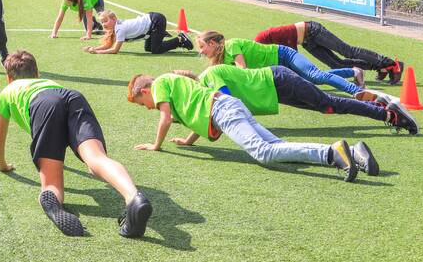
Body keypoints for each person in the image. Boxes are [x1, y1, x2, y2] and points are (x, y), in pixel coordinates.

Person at [0, 50, 151, 238]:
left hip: (44, 105)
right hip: (73, 97)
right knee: (96, 159)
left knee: (52, 185)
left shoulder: (8, 91)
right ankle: (133, 197)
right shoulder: (47, 83)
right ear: (37, 74)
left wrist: (2, 165)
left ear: (9, 79)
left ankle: (53, 206)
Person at [127, 72, 374, 182]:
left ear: (145, 91)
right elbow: (199, 113)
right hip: (227, 106)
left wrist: (155, 145)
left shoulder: (159, 84)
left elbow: (166, 118)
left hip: (223, 111)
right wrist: (187, 141)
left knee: (263, 153)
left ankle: (332, 153)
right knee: (279, 148)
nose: (148, 107)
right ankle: (353, 152)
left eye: (142, 103)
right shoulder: (174, 85)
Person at [178, 65, 418, 137]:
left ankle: (390, 115)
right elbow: (212, 113)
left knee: (331, 104)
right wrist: (190, 140)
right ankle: (380, 109)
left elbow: (228, 105)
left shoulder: (210, 77)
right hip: (279, 88)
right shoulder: (205, 88)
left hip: (278, 81)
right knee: (329, 106)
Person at [196, 30, 368, 98]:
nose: (201, 51)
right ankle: (354, 72)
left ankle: (357, 91)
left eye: (202, 46)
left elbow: (243, 71)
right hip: (279, 67)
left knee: (315, 76)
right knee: (315, 78)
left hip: (284, 55)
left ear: (213, 43)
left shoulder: (231, 45)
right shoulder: (222, 59)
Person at [255, 21, 403, 86]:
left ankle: (391, 63)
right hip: (307, 41)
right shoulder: (263, 49)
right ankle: (379, 67)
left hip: (313, 31)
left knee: (347, 51)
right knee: (335, 64)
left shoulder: (262, 38)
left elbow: (291, 51)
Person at [86, 10, 192, 55]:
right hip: (151, 23)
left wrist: (97, 52)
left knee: (156, 50)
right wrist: (94, 48)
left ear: (114, 19)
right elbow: (108, 45)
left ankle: (180, 39)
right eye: (102, 22)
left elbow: (115, 50)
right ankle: (160, 34)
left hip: (156, 21)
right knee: (148, 49)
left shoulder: (120, 29)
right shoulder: (117, 27)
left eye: (106, 21)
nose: (103, 24)